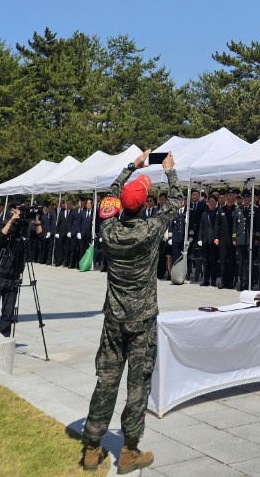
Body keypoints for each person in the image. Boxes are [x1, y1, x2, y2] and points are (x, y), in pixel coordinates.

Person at [80, 150, 183, 474]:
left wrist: (130, 167)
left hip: (114, 318)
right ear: (144, 205)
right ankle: (129, 451)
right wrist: (169, 171)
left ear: (122, 206)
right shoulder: (150, 230)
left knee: (106, 381)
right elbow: (175, 201)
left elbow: (108, 199)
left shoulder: (109, 230)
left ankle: (92, 447)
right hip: (142, 321)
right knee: (138, 386)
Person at [0, 201, 42, 337]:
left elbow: (38, 236)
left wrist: (36, 222)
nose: (21, 213)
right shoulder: (3, 224)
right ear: (12, 210)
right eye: (20, 209)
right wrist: (12, 221)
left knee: (8, 311)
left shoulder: (25, 227)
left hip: (14, 274)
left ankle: (4, 337)